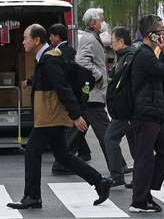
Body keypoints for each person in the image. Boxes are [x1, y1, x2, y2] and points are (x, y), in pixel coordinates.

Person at [7, 24, 112, 210]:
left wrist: (76, 115)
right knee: (63, 155)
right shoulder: (46, 58)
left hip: (50, 116)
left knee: (32, 152)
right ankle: (99, 181)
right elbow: (46, 82)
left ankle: (32, 197)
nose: (23, 42)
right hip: (50, 114)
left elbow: (63, 88)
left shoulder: (49, 60)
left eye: (25, 38)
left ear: (37, 40)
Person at [52, 8, 112, 176]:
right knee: (107, 133)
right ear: (94, 23)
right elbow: (81, 60)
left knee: (78, 129)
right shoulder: (89, 38)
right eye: (101, 19)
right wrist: (98, 76)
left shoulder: (93, 37)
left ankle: (60, 163)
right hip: (92, 93)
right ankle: (117, 165)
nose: (103, 22)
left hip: (91, 93)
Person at [128, 14, 164, 213]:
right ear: (151, 35)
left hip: (153, 112)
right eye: (161, 32)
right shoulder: (145, 54)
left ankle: (146, 192)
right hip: (144, 113)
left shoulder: (149, 52)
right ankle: (139, 201)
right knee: (144, 157)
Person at [105, 26, 138, 188]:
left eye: (113, 42)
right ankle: (139, 176)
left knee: (110, 137)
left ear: (121, 41)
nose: (111, 46)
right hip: (130, 108)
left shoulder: (129, 57)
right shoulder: (126, 56)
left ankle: (117, 175)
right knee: (134, 142)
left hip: (126, 109)